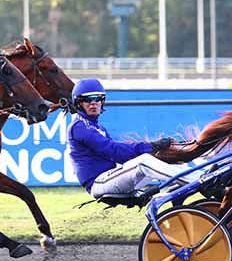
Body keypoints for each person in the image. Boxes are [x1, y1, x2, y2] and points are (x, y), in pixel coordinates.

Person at [67, 78, 202, 199]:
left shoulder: (96, 126)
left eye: (97, 98)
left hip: (109, 177)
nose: (93, 103)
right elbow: (114, 151)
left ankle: (199, 176)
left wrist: (154, 149)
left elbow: (118, 156)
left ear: (102, 101)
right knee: (144, 162)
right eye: (88, 99)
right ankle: (199, 181)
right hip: (98, 183)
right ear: (79, 103)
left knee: (156, 159)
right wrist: (152, 146)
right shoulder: (80, 127)